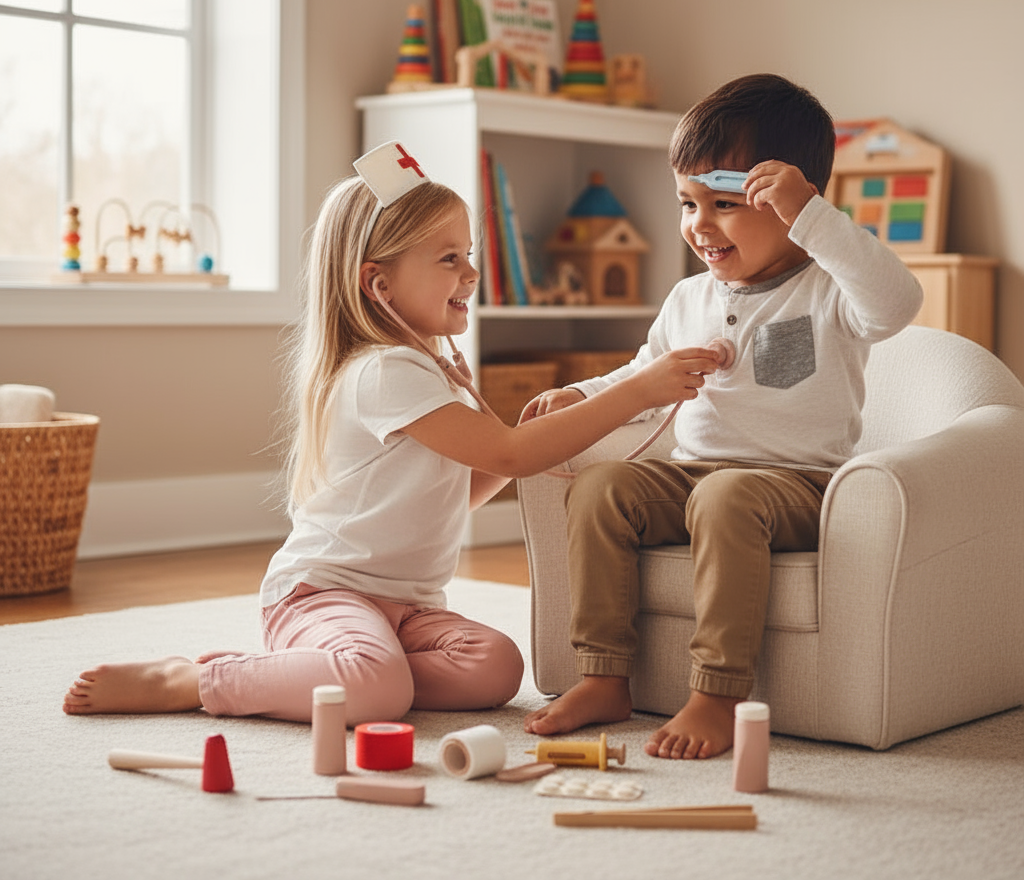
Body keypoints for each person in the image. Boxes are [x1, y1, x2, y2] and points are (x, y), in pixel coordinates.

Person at [63, 140, 719, 725]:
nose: (470, 272)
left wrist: (542, 435)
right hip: (323, 594)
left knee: (495, 666)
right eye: (449, 258)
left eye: (470, 255)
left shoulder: (427, 366)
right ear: (378, 285)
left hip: (403, 610)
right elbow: (512, 457)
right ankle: (195, 680)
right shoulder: (385, 372)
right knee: (378, 688)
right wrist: (638, 388)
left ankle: (332, 673)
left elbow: (465, 484)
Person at [521, 74, 924, 760]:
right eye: (686, 202)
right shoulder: (687, 297)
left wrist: (814, 219)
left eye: (724, 204)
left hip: (797, 485)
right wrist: (585, 394)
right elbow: (640, 370)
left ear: (788, 201)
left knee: (727, 494)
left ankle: (716, 692)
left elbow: (897, 302)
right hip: (694, 476)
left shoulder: (829, 290)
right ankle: (602, 673)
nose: (699, 225)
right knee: (601, 487)